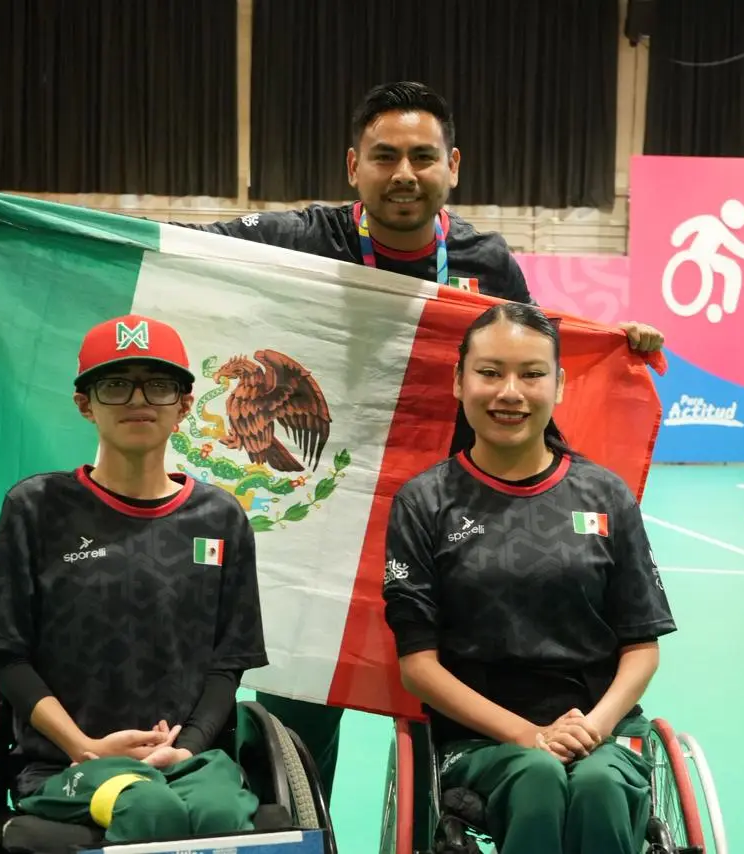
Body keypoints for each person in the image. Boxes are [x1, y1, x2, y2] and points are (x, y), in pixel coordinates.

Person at [173, 80, 665, 803]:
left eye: (422, 157)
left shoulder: (486, 260)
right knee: (299, 728)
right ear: (353, 166)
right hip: (322, 528)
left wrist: (616, 346)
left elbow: (532, 362)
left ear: (453, 166)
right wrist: (12, 220)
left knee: (461, 699)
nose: (404, 173)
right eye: (385, 156)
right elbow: (171, 247)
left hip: (449, 529)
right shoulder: (302, 237)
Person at [0, 314, 270, 844]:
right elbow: (7, 656)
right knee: (150, 811)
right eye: (116, 384)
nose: (138, 399)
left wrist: (187, 747)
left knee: (218, 819)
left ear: (184, 406)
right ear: (86, 405)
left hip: (191, 761)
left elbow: (227, 664)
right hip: (65, 764)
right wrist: (83, 745)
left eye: (159, 385)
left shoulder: (221, 517)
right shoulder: (37, 508)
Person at [380, 302, 677, 854]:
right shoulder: (423, 503)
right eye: (490, 373)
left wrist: (592, 728)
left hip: (600, 734)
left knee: (598, 786)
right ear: (458, 381)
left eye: (532, 374)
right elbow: (419, 668)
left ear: (559, 385)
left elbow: (642, 646)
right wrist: (528, 735)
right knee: (538, 778)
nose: (509, 392)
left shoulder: (605, 495)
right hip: (479, 742)